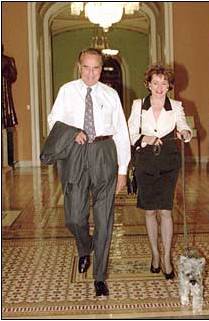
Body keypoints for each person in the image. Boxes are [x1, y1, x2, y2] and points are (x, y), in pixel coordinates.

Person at [48, 48, 130, 296]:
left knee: (104, 220)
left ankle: (100, 277)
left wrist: (123, 170)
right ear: (79, 66)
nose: (91, 73)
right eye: (86, 67)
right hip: (76, 153)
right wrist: (72, 132)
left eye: (96, 68)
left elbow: (122, 132)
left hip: (104, 152)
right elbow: (53, 121)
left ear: (101, 68)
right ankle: (85, 247)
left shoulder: (111, 94)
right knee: (73, 217)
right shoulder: (67, 91)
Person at [128, 64, 192, 280]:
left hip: (168, 161)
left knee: (165, 210)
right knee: (149, 211)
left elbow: (185, 126)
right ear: (148, 84)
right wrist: (144, 138)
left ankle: (166, 258)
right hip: (145, 160)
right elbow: (130, 133)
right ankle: (155, 253)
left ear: (169, 85)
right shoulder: (138, 105)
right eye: (155, 82)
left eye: (164, 83)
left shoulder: (176, 105)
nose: (160, 87)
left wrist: (185, 132)